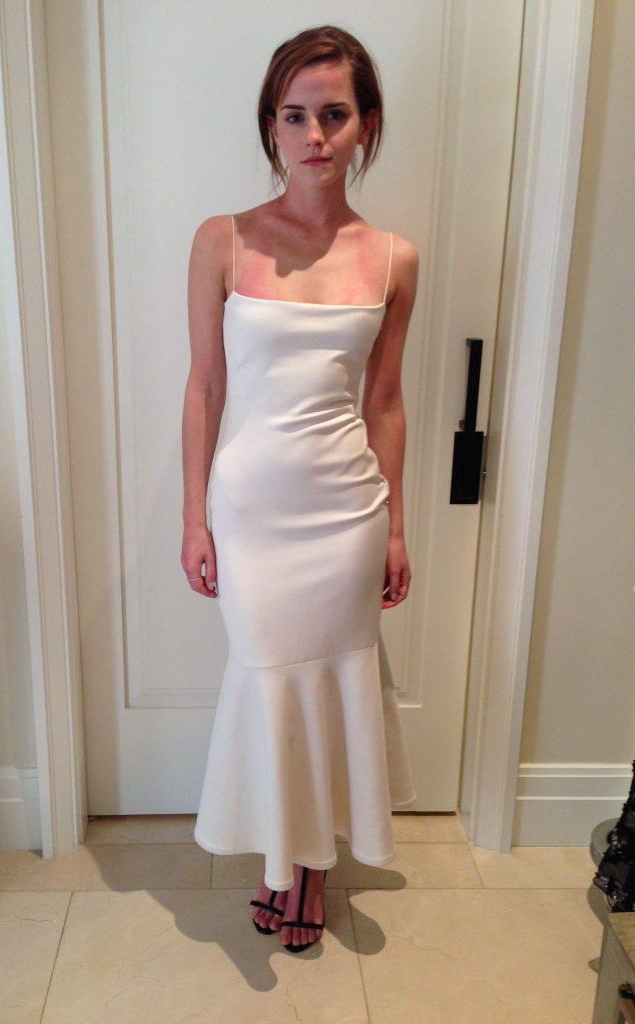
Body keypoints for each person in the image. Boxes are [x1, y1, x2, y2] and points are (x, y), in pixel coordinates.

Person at [181, 24, 418, 954]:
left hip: (347, 514)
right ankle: (284, 857)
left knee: (334, 682)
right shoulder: (223, 240)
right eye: (294, 115)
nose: (314, 135)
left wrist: (395, 529)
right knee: (272, 681)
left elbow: (385, 402)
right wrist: (193, 518)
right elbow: (205, 388)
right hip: (251, 514)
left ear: (366, 125)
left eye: (334, 114)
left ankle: (309, 870)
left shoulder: (394, 259)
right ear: (272, 125)